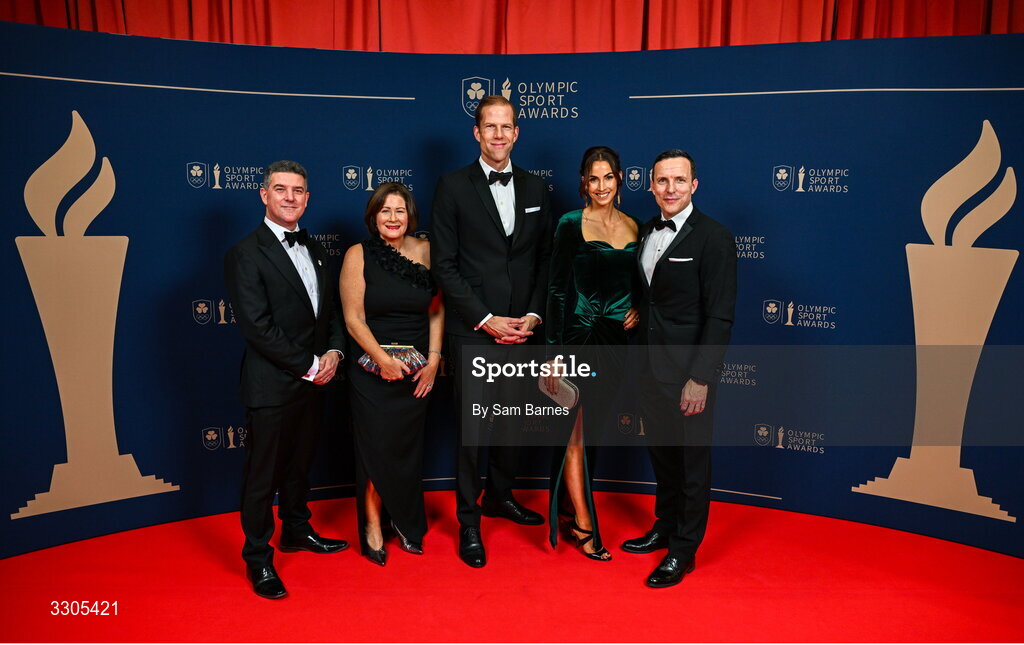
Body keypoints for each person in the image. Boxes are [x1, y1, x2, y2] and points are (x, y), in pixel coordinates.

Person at [431, 95, 553, 568]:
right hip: (476, 331)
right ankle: (468, 521)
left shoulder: (537, 189)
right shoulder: (452, 186)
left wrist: (533, 317)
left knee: (513, 422)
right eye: (490, 127)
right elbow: (445, 264)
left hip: (524, 329)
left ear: (517, 132)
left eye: (506, 127)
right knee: (473, 432)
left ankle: (502, 495)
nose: (499, 135)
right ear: (476, 133)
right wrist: (485, 318)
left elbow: (545, 261)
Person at [224, 160, 349, 600]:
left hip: (314, 379)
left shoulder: (314, 248)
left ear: (308, 197)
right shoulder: (245, 252)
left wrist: (333, 352)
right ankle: (258, 559)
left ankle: (296, 530)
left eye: (298, 190)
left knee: (299, 467)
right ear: (264, 195)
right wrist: (311, 365)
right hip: (273, 384)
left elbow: (329, 312)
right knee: (264, 476)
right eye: (281, 189)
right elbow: (257, 327)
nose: (291, 197)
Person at [623, 149, 736, 588]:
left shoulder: (714, 237)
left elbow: (720, 315)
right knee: (663, 457)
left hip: (689, 373)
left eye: (679, 180)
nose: (670, 189)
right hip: (649, 366)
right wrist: (635, 313)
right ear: (650, 186)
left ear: (694, 185)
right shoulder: (648, 230)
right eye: (662, 181)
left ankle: (684, 550)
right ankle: (664, 527)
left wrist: (701, 377)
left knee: (690, 464)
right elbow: (652, 297)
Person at [544, 146, 640, 561]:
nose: (601, 186)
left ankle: (568, 507)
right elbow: (556, 290)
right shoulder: (570, 223)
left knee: (594, 431)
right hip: (577, 338)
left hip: (616, 343)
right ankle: (585, 524)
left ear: (619, 179)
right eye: (593, 179)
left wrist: (641, 308)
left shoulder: (636, 226)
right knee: (575, 432)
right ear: (583, 183)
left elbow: (644, 281)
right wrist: (552, 354)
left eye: (608, 178)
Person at [340, 182, 442, 566]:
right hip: (372, 371)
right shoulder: (357, 255)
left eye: (399, 211)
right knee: (376, 449)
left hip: (417, 370)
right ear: (373, 216)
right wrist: (382, 360)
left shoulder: (427, 251)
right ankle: (372, 526)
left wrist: (433, 360)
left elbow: (436, 309)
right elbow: (353, 318)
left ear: (410, 215)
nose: (393, 218)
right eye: (385, 211)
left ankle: (405, 521)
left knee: (405, 450)